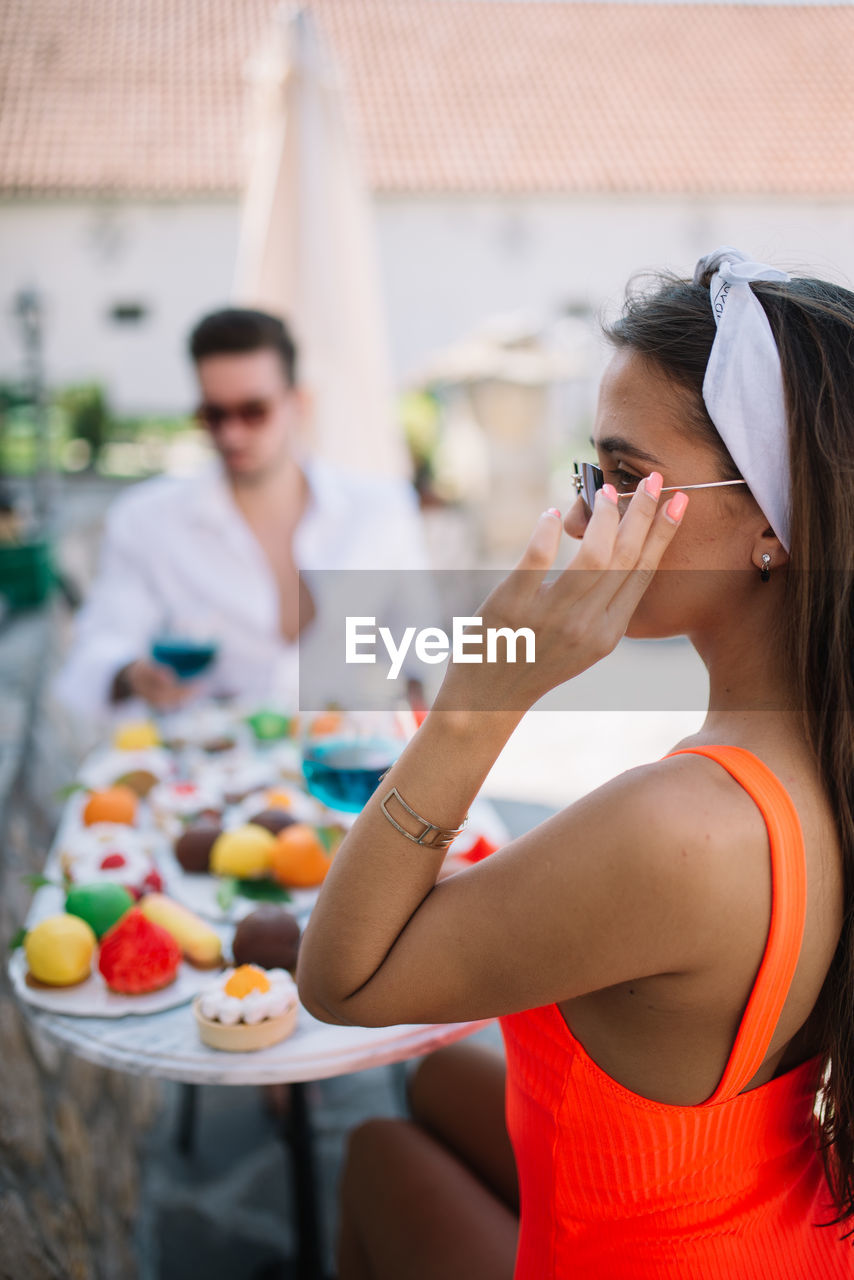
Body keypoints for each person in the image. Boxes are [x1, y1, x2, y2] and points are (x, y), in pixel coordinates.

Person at [297, 248, 854, 1277]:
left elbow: (340, 979)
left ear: (774, 529)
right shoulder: (817, 747)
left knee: (377, 1150)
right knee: (427, 1086)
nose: (587, 515)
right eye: (589, 474)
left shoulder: (677, 828)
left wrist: (480, 695)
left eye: (628, 478)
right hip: (771, 1224)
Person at [54, 308, 428, 719]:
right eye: (215, 415)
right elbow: (99, 647)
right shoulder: (147, 521)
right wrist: (131, 674)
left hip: (342, 763)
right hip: (201, 770)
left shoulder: (380, 510)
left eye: (254, 411)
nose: (232, 434)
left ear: (298, 403)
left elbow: (421, 653)